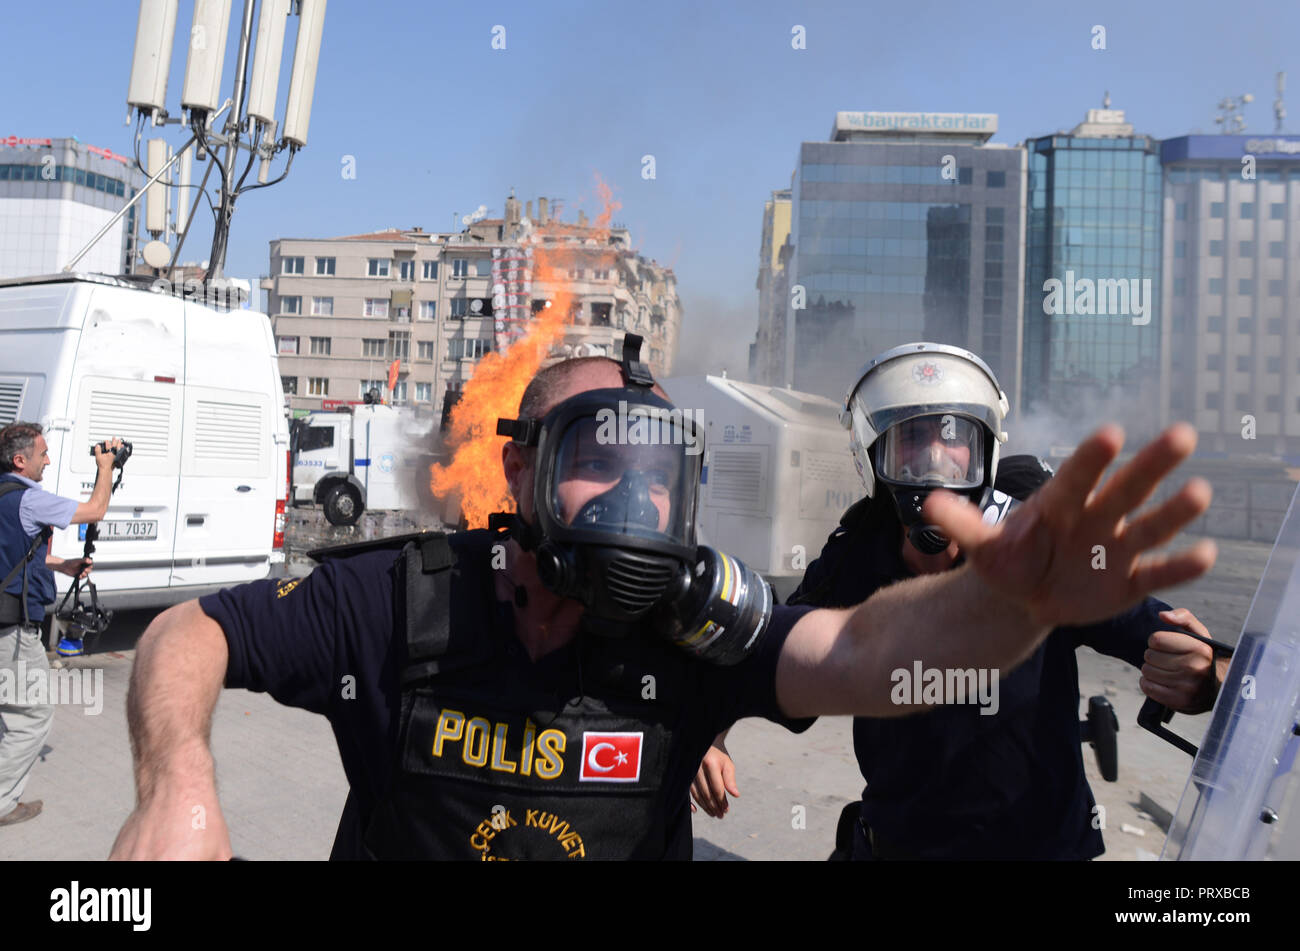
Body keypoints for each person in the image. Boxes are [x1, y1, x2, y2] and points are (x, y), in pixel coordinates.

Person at [110, 340, 1215, 860]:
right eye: (598, 455)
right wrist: (180, 783)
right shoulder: (404, 599)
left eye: (656, 466)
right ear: (521, 470)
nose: (631, 491)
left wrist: (1002, 606)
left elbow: (851, 653)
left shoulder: (692, 624)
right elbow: (191, 629)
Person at [690, 343, 1228, 860]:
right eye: (914, 435)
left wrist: (1203, 672)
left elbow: (1169, 641)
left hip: (1039, 850)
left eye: (953, 436)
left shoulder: (1037, 551)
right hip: (897, 846)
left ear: (984, 451)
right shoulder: (857, 553)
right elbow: (773, 650)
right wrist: (711, 731)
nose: (934, 454)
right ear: (877, 454)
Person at [0, 423, 123, 828]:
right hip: (12, 632)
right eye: (42, 454)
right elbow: (95, 510)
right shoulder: (28, 499)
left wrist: (61, 565)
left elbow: (16, 546)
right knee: (32, 715)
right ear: (21, 460)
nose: (47, 460)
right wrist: (105, 467)